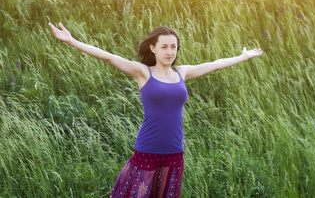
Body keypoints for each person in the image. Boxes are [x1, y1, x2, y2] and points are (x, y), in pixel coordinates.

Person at [48, 22, 263, 198]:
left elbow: (215, 64)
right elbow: (108, 57)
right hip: (147, 150)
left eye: (174, 47)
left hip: (175, 152)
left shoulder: (182, 72)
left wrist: (242, 57)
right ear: (153, 48)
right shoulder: (143, 73)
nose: (170, 51)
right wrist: (72, 41)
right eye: (164, 46)